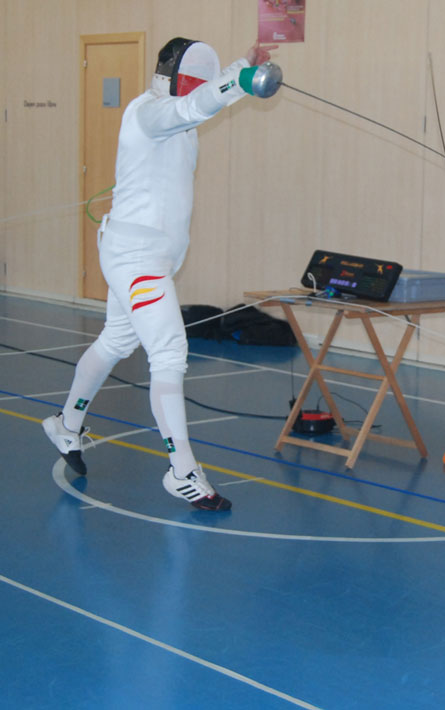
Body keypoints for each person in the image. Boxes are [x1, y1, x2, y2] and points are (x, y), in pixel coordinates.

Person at [43, 37, 280, 511]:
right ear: (171, 76)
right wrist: (241, 79)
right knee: (169, 353)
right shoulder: (148, 112)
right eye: (192, 79)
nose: (195, 88)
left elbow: (198, 104)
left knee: (116, 339)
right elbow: (194, 105)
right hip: (136, 259)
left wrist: (243, 67)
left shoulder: (181, 120)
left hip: (138, 253)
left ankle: (66, 426)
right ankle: (183, 471)